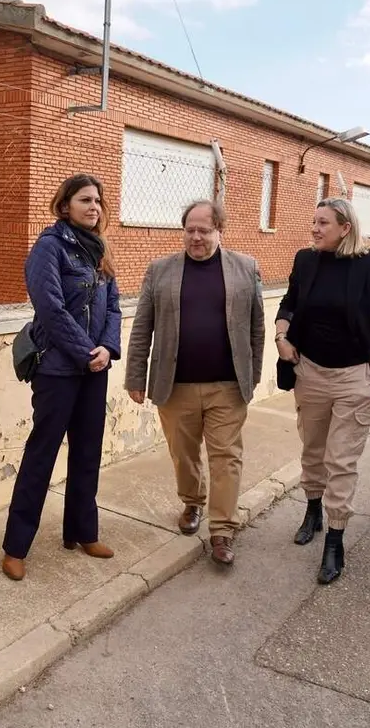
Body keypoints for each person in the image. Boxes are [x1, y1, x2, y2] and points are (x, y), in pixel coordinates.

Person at [126, 200, 264, 566]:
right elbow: (142, 328)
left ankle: (222, 530)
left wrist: (253, 375)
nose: (196, 237)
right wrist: (136, 377)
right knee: (183, 455)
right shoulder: (160, 271)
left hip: (228, 385)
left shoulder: (245, 268)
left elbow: (256, 327)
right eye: (190, 230)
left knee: (226, 458)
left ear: (220, 231)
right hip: (176, 385)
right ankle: (192, 502)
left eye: (204, 230)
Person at [274, 197, 370, 585]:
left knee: (341, 460)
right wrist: (281, 337)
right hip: (309, 371)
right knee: (313, 450)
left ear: (345, 228)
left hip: (354, 377)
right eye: (313, 222)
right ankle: (312, 508)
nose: (314, 229)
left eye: (322, 223)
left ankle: (335, 536)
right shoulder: (306, 260)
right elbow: (289, 303)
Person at [1, 173, 122, 581]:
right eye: (85, 200)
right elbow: (50, 309)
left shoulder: (99, 250)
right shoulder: (49, 248)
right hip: (57, 370)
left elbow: (115, 308)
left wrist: (107, 349)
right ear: (65, 204)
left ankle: (82, 532)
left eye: (98, 202)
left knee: (88, 454)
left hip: (94, 370)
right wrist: (85, 352)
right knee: (42, 456)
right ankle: (16, 547)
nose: (94, 207)